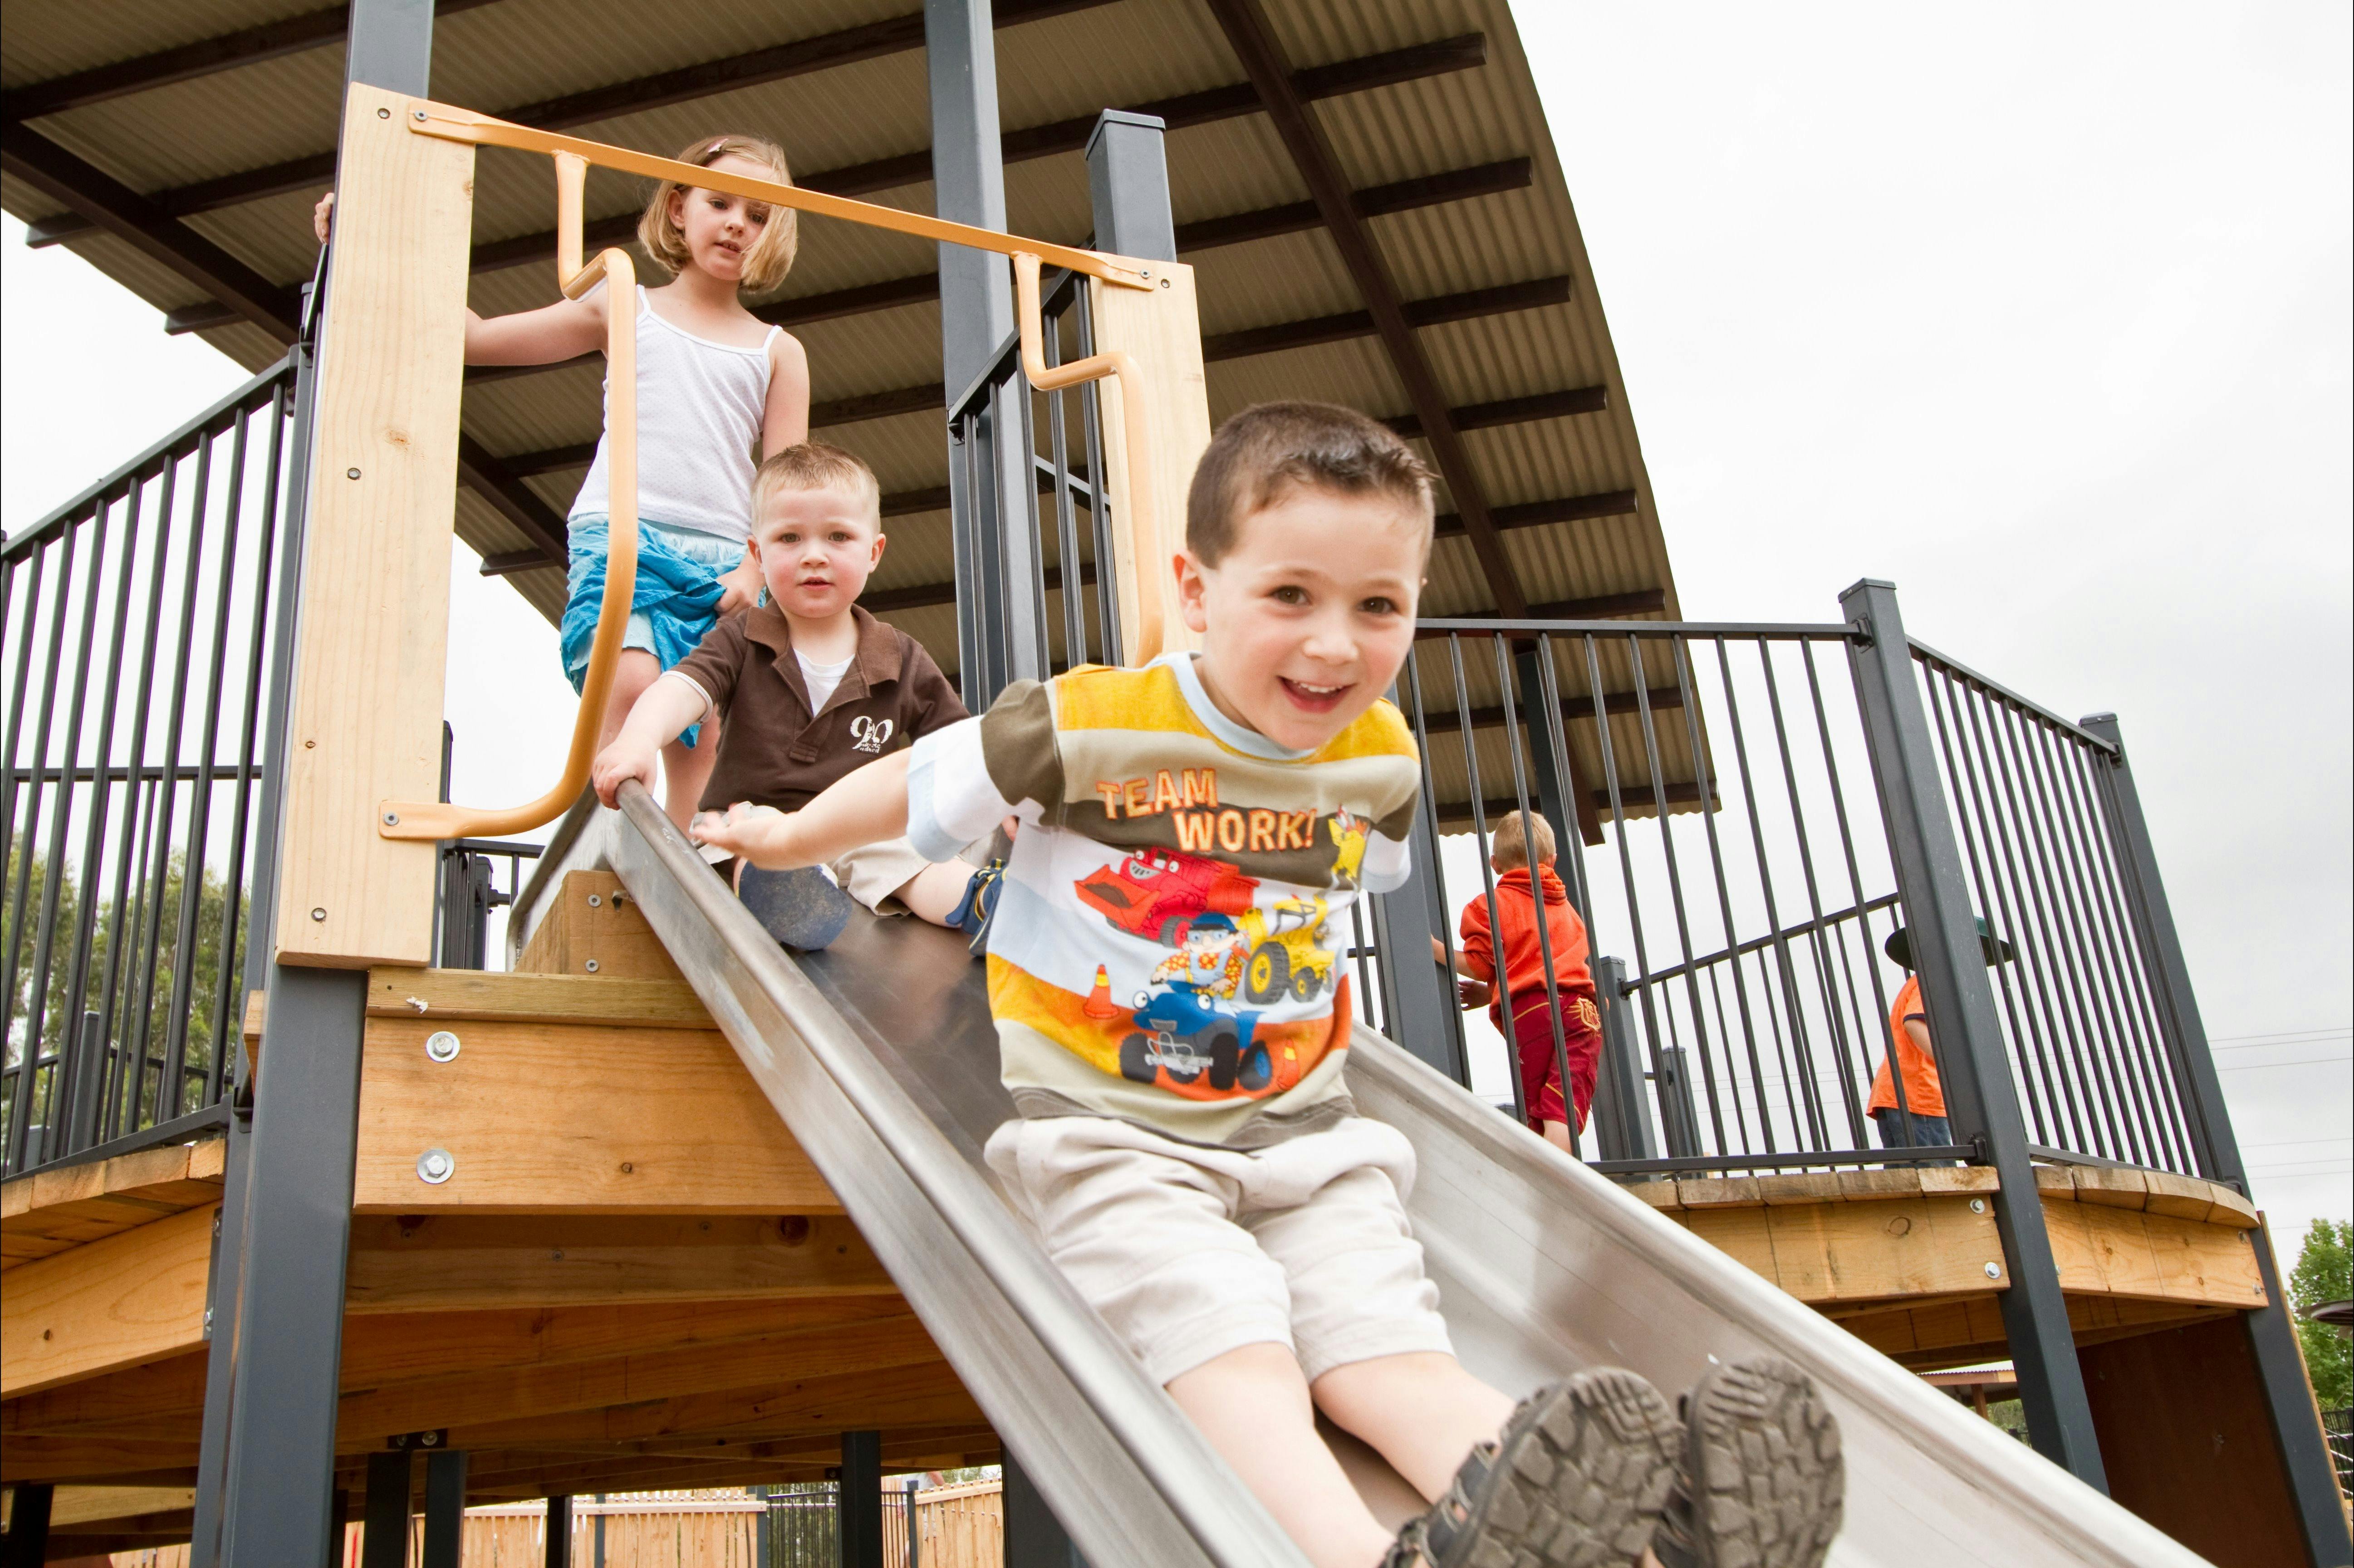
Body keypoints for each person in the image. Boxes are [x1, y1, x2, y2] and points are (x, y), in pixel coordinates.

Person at [693, 402, 1844, 1568]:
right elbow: (911, 781)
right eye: (1291, 595)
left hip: (1310, 1137)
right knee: (1228, 1351)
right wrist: (781, 838)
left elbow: (1345, 881)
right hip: (1115, 1139)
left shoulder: (1378, 757)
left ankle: (1656, 1540)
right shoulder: (1089, 723)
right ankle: (1364, 1555)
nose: (1335, 645)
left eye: (1378, 605)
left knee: (1389, 1356)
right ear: (1196, 592)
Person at [314, 132, 812, 830]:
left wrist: (755, 569)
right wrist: (368, 245)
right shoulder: (625, 303)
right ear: (678, 209)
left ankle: (692, 867)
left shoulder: (777, 350)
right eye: (720, 204)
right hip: (626, 532)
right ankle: (608, 840)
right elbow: (475, 338)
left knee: (705, 734)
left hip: (722, 556)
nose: (737, 224)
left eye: (758, 215)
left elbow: (786, 484)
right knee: (632, 681)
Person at [589, 442, 995, 951]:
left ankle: (988, 903)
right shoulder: (743, 637)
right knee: (752, 840)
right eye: (789, 538)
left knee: (908, 854)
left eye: (838, 536)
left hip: (855, 828)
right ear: (758, 555)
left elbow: (962, 749)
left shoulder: (899, 657)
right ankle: (787, 898)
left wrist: (1006, 799)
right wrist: (638, 740)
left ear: (874, 552)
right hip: (753, 821)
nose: (814, 555)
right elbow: (681, 690)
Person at [1432, 809, 1598, 1153]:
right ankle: (1562, 1172)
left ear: (1495, 864)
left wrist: (1435, 948)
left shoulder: (1489, 907)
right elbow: (1550, 966)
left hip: (1531, 1013)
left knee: (1537, 1107)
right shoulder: (1567, 910)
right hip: (1582, 1011)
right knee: (1563, 1104)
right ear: (1552, 861)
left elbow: (1482, 965)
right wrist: (1491, 993)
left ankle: (1547, 1176)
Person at [1868, 918, 2013, 1162]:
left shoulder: (1921, 982)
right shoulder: (1935, 980)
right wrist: (1951, 1066)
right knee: (1936, 1174)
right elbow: (1914, 1022)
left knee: (1910, 1177)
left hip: (1900, 1095)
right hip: (1918, 1095)